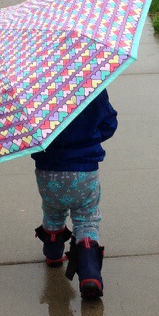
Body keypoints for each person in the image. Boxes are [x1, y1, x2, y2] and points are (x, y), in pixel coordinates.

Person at [32, 89, 118, 300]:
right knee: (86, 219)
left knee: (53, 211)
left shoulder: (36, 93)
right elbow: (109, 124)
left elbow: (28, 136)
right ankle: (90, 274)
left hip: (48, 171)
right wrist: (90, 138)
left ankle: (53, 254)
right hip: (84, 171)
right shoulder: (91, 86)